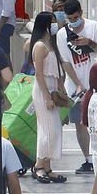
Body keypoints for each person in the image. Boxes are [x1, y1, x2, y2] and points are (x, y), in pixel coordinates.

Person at [56, 0, 97, 174]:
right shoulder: (63, 35)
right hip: (76, 86)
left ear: (81, 13)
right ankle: (88, 158)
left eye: (75, 17)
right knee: (80, 122)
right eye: (69, 19)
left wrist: (90, 43)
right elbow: (65, 62)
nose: (73, 22)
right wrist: (78, 84)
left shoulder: (93, 27)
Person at [28, 11, 68, 183]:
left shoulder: (51, 45)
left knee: (54, 129)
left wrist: (62, 91)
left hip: (52, 88)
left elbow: (57, 74)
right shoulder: (39, 46)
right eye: (51, 21)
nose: (54, 24)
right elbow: (39, 74)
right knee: (47, 129)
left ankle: (48, 166)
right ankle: (39, 165)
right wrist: (46, 97)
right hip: (43, 91)